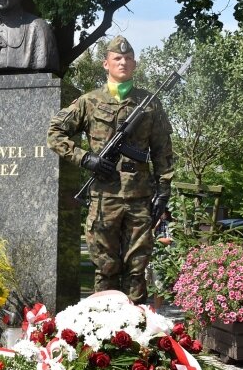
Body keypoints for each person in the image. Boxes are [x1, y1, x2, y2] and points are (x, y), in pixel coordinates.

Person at [47, 35, 174, 303]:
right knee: (105, 267)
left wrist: (163, 190)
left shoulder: (149, 103)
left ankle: (138, 331)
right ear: (106, 64)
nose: (123, 62)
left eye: (128, 59)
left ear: (135, 64)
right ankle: (105, 329)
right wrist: (85, 159)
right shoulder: (89, 101)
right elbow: (55, 133)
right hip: (104, 197)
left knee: (137, 268)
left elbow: (162, 150)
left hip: (140, 198)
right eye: (117, 58)